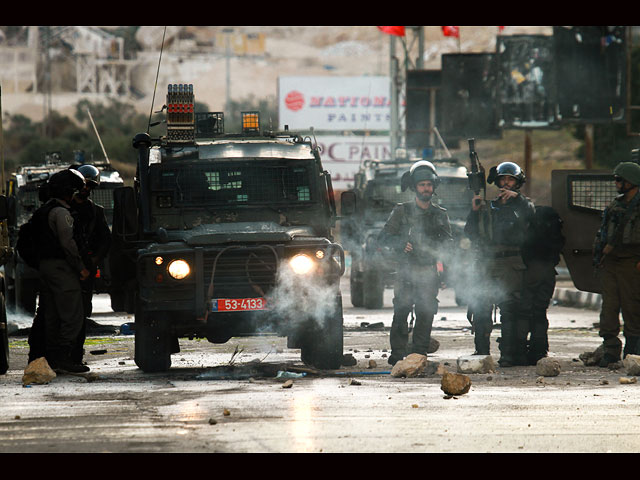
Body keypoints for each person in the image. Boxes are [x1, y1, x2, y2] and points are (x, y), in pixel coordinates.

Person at [378, 161, 453, 366]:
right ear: (414, 187)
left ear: (434, 186)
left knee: (426, 312)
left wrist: (446, 273)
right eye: (422, 185)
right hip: (406, 270)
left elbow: (448, 246)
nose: (426, 188)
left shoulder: (440, 214)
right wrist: (401, 243)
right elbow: (383, 238)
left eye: (429, 184)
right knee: (401, 310)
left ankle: (419, 353)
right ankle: (398, 353)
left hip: (429, 271)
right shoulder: (402, 211)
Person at [464, 161, 535, 366]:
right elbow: (470, 232)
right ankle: (481, 352)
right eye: (503, 179)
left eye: (510, 179)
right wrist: (474, 211)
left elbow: (533, 218)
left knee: (509, 308)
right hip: (487, 260)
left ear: (517, 182)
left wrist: (518, 199)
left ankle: (509, 354)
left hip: (511, 260)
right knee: (481, 306)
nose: (506, 183)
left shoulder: (523, 205)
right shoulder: (488, 206)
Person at [33, 169, 90, 373]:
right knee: (72, 314)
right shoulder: (62, 213)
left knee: (52, 315)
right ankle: (65, 358)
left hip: (45, 268)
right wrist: (81, 268)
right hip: (61, 268)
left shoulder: (45, 210)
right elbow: (68, 245)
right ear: (69, 192)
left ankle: (53, 358)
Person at [593, 162, 640, 367]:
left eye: (620, 179)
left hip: (632, 261)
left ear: (632, 182)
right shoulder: (615, 205)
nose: (616, 183)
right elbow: (603, 233)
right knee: (609, 308)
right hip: (611, 261)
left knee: (632, 307)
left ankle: (633, 350)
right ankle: (610, 349)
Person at [69, 164, 112, 364]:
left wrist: (92, 263)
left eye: (90, 186)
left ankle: (75, 357)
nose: (86, 189)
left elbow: (105, 241)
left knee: (81, 316)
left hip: (85, 271)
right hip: (64, 269)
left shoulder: (96, 212)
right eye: (84, 185)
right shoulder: (61, 208)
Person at [521, 205, 565, 365]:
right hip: (548, 271)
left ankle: (522, 350)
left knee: (525, 311)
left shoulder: (531, 225)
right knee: (540, 312)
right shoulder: (553, 227)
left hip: (532, 269)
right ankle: (539, 350)